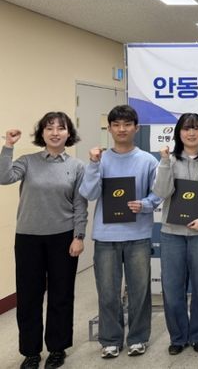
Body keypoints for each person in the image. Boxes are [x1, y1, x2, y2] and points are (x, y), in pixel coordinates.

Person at [0, 113, 87, 369]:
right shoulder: (28, 161)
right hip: (28, 238)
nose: (55, 133)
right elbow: (4, 177)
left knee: (61, 295)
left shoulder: (77, 166)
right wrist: (8, 146)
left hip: (63, 238)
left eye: (61, 128)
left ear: (69, 134)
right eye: (49, 128)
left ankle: (58, 349)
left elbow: (80, 205)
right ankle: (31, 352)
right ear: (42, 133)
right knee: (29, 296)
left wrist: (79, 236)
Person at [79, 104, 161, 359]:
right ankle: (111, 340)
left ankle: (138, 338)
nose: (122, 129)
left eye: (127, 124)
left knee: (140, 292)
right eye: (116, 125)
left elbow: (157, 194)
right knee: (107, 293)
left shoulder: (148, 160)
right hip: (106, 237)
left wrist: (144, 204)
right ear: (110, 129)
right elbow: (89, 193)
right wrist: (93, 164)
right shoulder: (100, 159)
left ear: (136, 128)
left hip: (138, 236)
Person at [152, 113, 198, 355]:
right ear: (178, 133)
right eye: (186, 128)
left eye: (196, 128)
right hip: (172, 233)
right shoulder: (169, 160)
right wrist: (164, 161)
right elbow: (162, 192)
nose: (191, 133)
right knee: (172, 288)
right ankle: (178, 337)